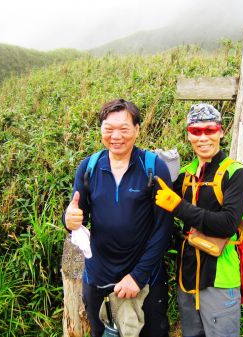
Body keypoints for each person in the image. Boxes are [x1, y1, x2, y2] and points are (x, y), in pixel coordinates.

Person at [63, 98, 173, 337]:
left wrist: (137, 276)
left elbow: (164, 230)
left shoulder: (154, 168)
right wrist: (68, 221)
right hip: (99, 277)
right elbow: (75, 215)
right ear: (101, 129)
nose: (116, 136)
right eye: (109, 129)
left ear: (136, 129)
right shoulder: (89, 167)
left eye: (124, 128)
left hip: (145, 278)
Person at [155, 103, 243, 337]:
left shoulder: (235, 173)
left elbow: (227, 223)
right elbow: (154, 198)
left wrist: (178, 206)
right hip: (186, 274)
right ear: (188, 135)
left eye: (210, 130)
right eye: (196, 131)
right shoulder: (185, 174)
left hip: (221, 276)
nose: (203, 137)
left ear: (221, 132)